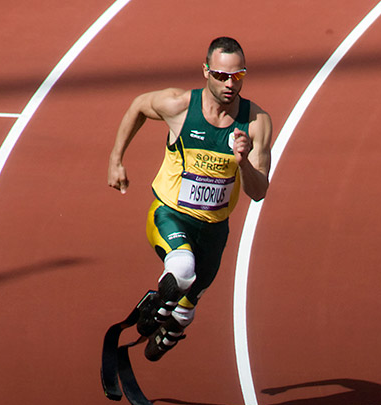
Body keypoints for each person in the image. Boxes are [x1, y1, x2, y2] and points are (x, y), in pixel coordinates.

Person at [107, 36, 271, 361]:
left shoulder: (256, 123)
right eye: (221, 76)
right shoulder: (180, 106)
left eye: (237, 76)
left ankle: (172, 322)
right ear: (206, 72)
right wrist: (116, 159)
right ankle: (156, 305)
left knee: (185, 313)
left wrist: (243, 162)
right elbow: (139, 105)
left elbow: (259, 191)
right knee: (182, 268)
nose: (229, 84)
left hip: (213, 231)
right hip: (171, 215)